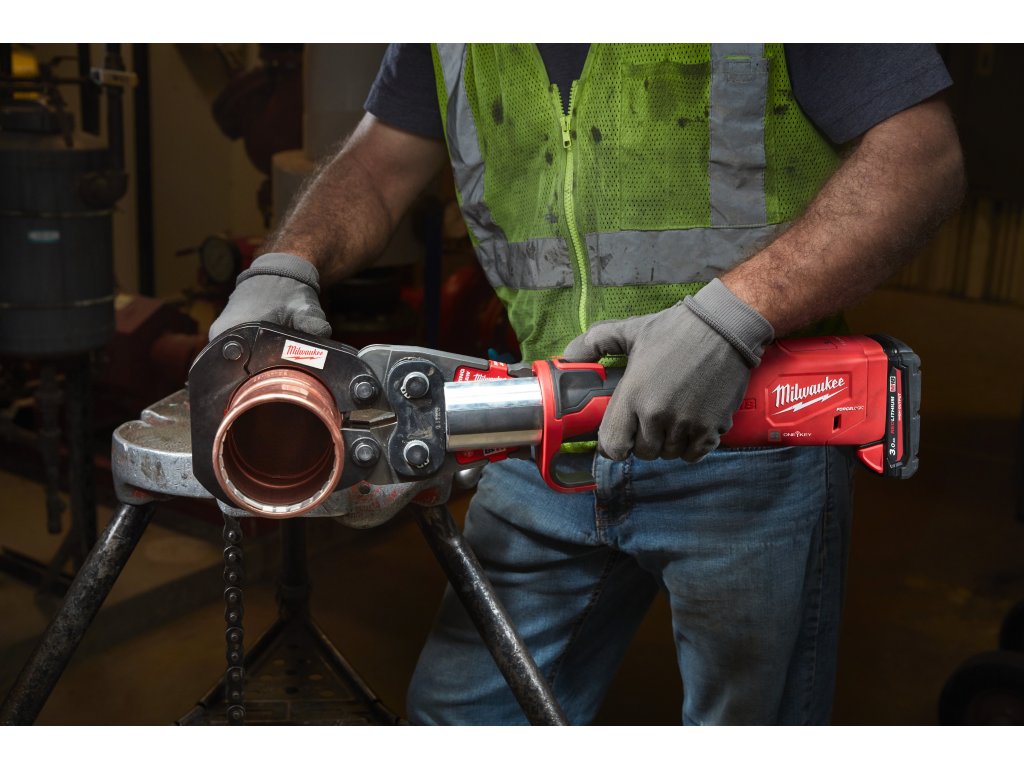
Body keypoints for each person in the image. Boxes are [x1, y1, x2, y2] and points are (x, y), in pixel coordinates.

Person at [209, 44, 964, 724]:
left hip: (750, 433)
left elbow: (921, 159)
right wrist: (286, 262)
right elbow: (379, 163)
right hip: (542, 427)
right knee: (464, 717)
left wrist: (731, 318)